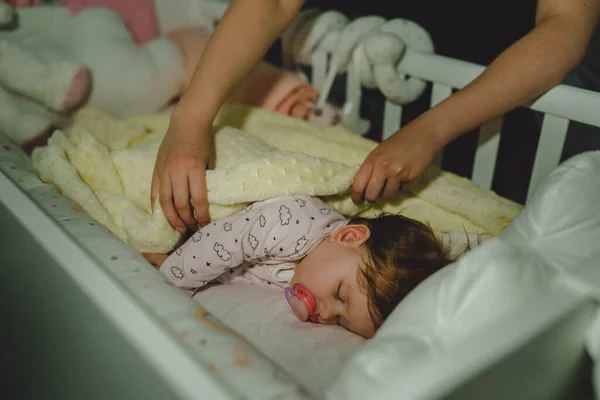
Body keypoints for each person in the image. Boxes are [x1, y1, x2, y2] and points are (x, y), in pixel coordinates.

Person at [151, 0, 600, 234]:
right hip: (367, 99)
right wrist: (190, 118)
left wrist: (431, 130)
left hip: (501, 110)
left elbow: (564, 25)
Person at [143, 195, 462, 339]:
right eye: (339, 294)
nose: (324, 313)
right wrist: (171, 276)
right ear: (348, 236)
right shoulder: (293, 224)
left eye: (340, 321)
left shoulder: (318, 267)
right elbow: (223, 243)